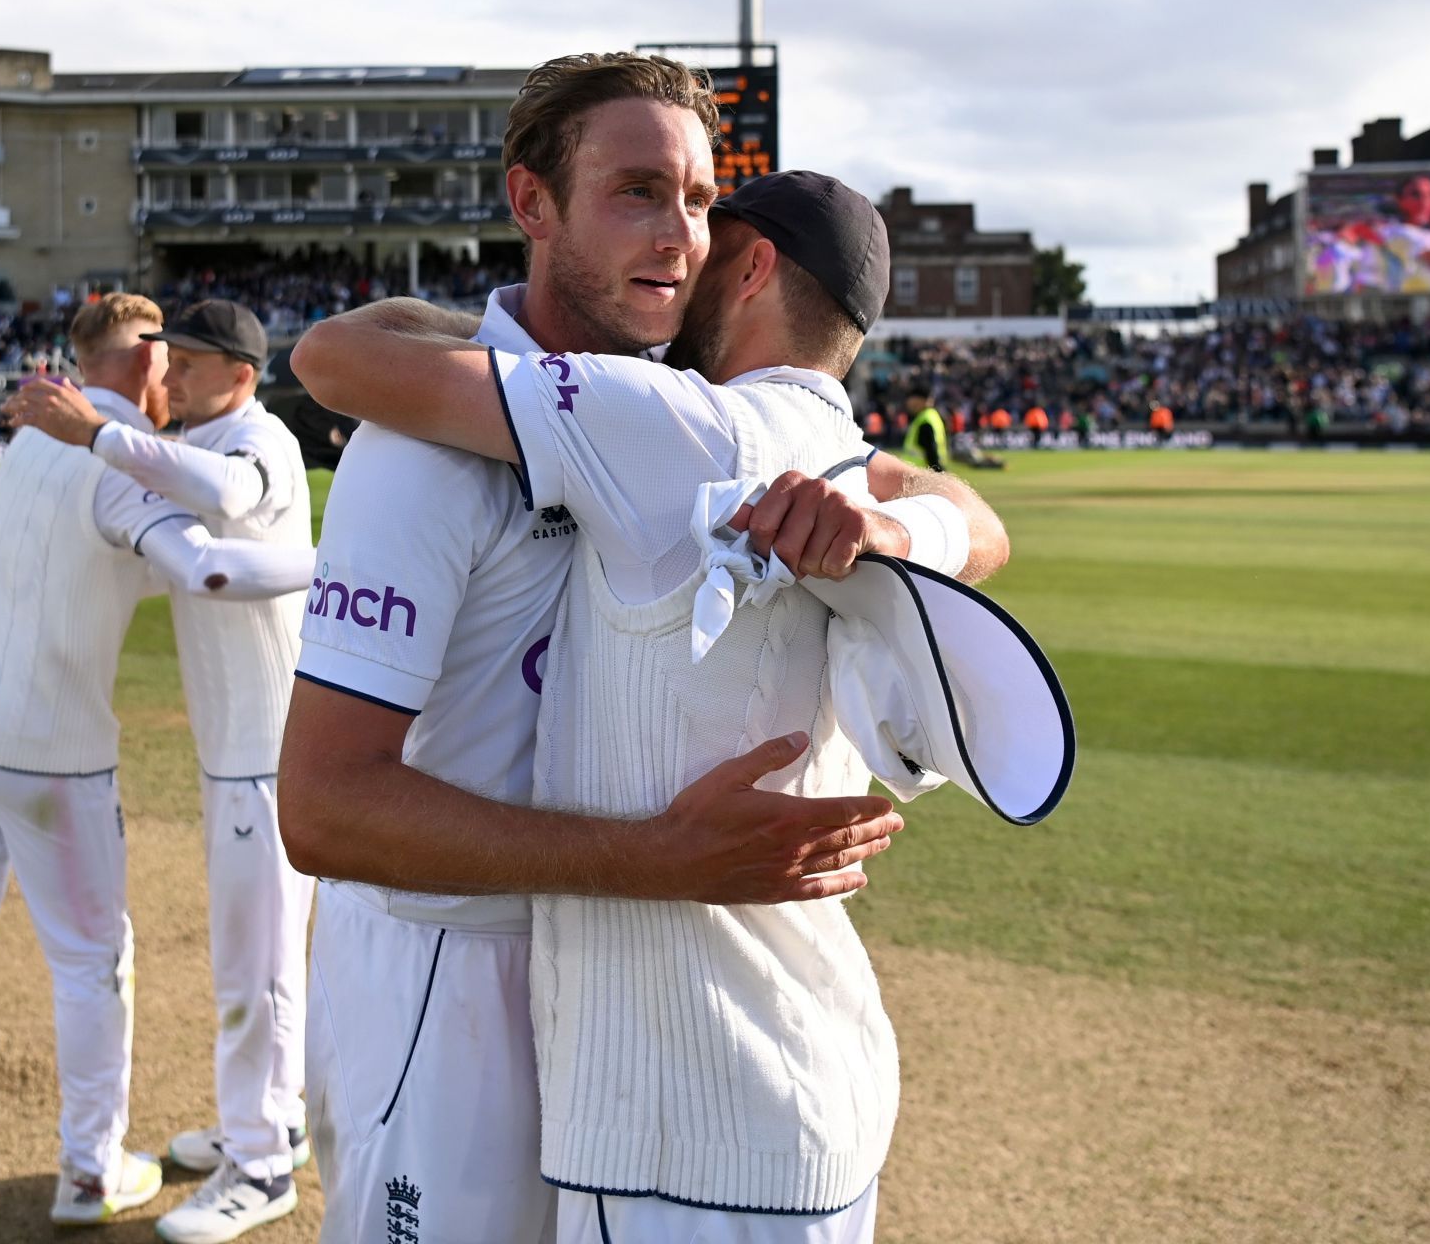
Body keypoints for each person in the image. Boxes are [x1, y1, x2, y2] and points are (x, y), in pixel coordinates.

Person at [291, 169, 1011, 1243]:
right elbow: (983, 522)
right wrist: (913, 534)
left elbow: (326, 358)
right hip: (802, 1071)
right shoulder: (852, 470)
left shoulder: (677, 422)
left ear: (754, 265)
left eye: (704, 220)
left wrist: (498, 326)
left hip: (682, 1110)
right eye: (645, 198)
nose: (679, 247)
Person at [0, 295, 316, 1228]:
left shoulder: (36, 442)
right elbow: (204, 568)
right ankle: (92, 1170)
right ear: (143, 371)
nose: (172, 372)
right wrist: (340, 565)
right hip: (49, 753)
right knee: (95, 960)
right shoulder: (118, 465)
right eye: (164, 356)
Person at [5, 300, 315, 1243]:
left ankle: (260, 1167)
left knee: (252, 968)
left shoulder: (259, 442)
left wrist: (97, 432)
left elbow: (220, 505)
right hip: (239, 755)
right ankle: (276, 1122)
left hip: (260, 761)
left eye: (185, 363)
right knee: (260, 964)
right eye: (166, 361)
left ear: (241, 373)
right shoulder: (212, 440)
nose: (168, 379)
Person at [903, 388, 949, 470]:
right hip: (925, 474)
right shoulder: (932, 415)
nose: (908, 404)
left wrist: (938, 475)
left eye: (911, 401)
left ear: (919, 400)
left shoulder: (924, 421)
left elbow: (931, 453)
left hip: (922, 475)